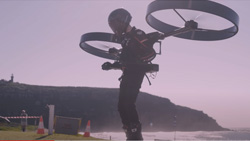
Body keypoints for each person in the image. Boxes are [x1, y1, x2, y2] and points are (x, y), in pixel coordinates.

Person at [102, 8, 164, 140]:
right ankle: (129, 132)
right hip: (128, 74)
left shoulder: (138, 34)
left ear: (122, 21)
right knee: (121, 106)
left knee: (128, 104)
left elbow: (150, 54)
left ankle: (136, 134)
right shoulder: (125, 39)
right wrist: (111, 65)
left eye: (115, 25)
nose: (114, 28)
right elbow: (126, 61)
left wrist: (139, 50)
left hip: (136, 73)